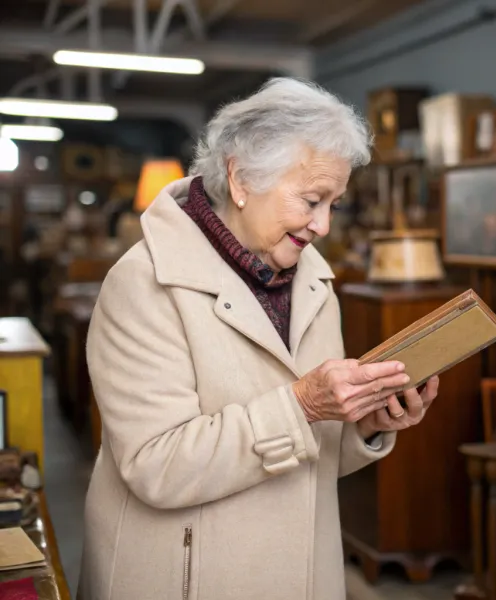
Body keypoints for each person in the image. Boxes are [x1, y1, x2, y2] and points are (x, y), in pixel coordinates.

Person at [77, 78, 439, 600]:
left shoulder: (313, 280)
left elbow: (314, 452)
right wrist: (303, 404)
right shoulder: (143, 283)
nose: (324, 226)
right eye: (312, 200)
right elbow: (156, 466)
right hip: (185, 577)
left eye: (334, 204)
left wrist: (365, 422)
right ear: (241, 178)